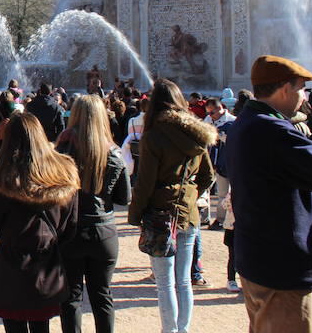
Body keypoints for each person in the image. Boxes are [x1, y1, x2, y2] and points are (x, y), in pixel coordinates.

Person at [227, 55, 312, 333]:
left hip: (261, 261)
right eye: (300, 88)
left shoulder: (249, 122)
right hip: (281, 269)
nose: (303, 97)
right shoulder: (271, 130)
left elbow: (286, 170)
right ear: (285, 88)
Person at [0, 113, 79, 333]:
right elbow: (70, 227)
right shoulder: (64, 175)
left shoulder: (3, 180)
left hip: (11, 272)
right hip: (46, 270)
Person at [127, 79, 215, 333]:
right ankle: (183, 329)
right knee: (184, 280)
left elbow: (145, 183)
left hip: (160, 214)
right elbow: (208, 175)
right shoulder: (197, 133)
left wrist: (135, 214)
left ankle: (169, 330)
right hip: (188, 213)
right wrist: (189, 192)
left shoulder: (153, 136)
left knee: (165, 284)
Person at [55, 95, 130, 333]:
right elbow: (123, 198)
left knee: (70, 298)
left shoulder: (64, 149)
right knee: (102, 296)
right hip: (104, 231)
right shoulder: (114, 153)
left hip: (72, 230)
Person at [203, 97, 235, 231]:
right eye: (208, 113)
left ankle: (223, 219)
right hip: (211, 160)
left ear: (220, 108)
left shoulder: (233, 121)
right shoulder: (208, 120)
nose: (210, 116)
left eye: (212, 113)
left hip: (228, 161)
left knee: (225, 193)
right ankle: (206, 216)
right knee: (207, 189)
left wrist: (222, 136)